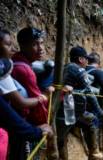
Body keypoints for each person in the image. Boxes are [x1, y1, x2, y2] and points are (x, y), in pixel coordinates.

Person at [9, 27, 72, 160]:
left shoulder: (15, 64)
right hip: (22, 125)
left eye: (42, 43)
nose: (41, 48)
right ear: (23, 47)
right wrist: (57, 94)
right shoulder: (26, 72)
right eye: (34, 44)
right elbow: (38, 109)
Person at [56, 46, 103, 159]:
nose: (87, 61)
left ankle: (63, 157)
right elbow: (90, 94)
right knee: (93, 120)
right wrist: (101, 113)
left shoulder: (65, 68)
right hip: (71, 111)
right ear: (80, 59)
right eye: (86, 59)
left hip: (59, 110)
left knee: (62, 135)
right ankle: (94, 154)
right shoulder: (79, 71)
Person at [0, 58, 54, 160]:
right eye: (8, 44)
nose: (13, 48)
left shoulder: (8, 68)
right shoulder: (24, 72)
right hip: (20, 124)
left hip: (17, 125)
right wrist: (44, 96)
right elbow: (21, 103)